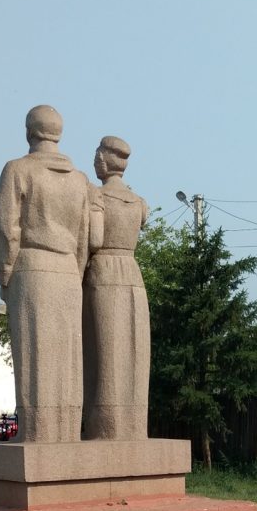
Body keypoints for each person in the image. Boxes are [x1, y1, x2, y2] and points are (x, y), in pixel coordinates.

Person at [0, 105, 98, 443]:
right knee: (67, 358)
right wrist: (75, 271)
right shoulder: (80, 180)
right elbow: (84, 237)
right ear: (58, 133)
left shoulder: (18, 170)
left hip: (32, 268)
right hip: (68, 271)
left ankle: (37, 436)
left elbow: (6, 227)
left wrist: (4, 272)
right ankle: (66, 435)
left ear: (29, 132)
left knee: (34, 356)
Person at [82, 135, 149, 440]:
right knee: (133, 350)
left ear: (107, 161)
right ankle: (133, 426)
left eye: (99, 155)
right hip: (133, 274)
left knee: (104, 353)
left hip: (105, 271)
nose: (96, 160)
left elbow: (94, 240)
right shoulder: (139, 202)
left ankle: (106, 427)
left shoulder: (96, 197)